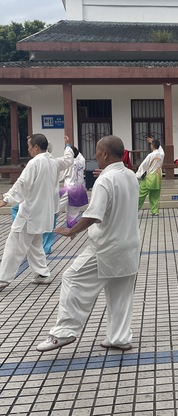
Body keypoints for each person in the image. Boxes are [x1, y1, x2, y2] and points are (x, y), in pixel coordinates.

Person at [36, 135, 141, 352]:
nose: (95, 156)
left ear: (104, 154)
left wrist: (71, 230)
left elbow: (94, 214)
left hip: (106, 247)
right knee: (120, 295)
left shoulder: (105, 180)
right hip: (129, 246)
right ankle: (119, 338)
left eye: (97, 152)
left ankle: (63, 333)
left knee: (72, 277)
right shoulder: (130, 176)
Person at [0, 134, 73, 290]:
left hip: (30, 213)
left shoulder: (34, 163)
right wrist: (67, 146)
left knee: (14, 245)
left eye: (29, 146)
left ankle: (2, 279)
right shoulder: (53, 162)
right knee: (35, 244)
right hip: (43, 214)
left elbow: (22, 183)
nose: (28, 149)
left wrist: (7, 198)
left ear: (36, 147)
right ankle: (42, 274)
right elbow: (68, 160)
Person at [59, 146, 88, 228]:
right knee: (73, 212)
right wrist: (68, 146)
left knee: (56, 205)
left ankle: (49, 223)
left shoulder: (69, 164)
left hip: (69, 188)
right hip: (79, 189)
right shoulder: (82, 160)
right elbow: (79, 155)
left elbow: (61, 175)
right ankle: (72, 230)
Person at [136, 137, 164, 216]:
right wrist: (153, 141)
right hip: (158, 177)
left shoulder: (151, 155)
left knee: (141, 194)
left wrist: (137, 175)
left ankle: (135, 210)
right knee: (155, 195)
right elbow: (161, 149)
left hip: (149, 177)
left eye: (151, 144)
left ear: (152, 146)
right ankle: (154, 211)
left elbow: (143, 166)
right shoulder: (162, 154)